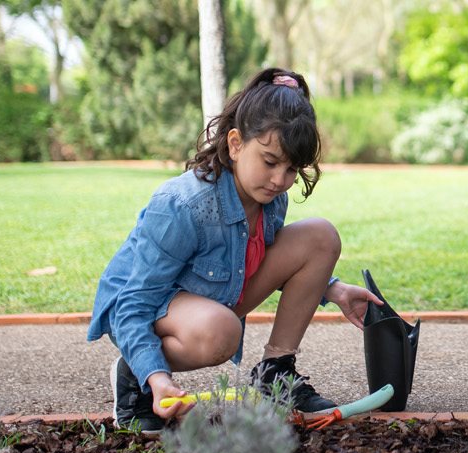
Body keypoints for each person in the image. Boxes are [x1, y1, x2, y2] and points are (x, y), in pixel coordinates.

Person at [88, 68, 382, 433]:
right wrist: (157, 376)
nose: (280, 180)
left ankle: (275, 376)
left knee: (320, 235)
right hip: (142, 306)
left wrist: (331, 288)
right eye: (270, 162)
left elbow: (254, 257)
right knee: (222, 332)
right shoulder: (183, 205)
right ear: (236, 143)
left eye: (292, 169)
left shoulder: (271, 199)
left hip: (211, 297)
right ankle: (135, 375)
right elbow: (133, 304)